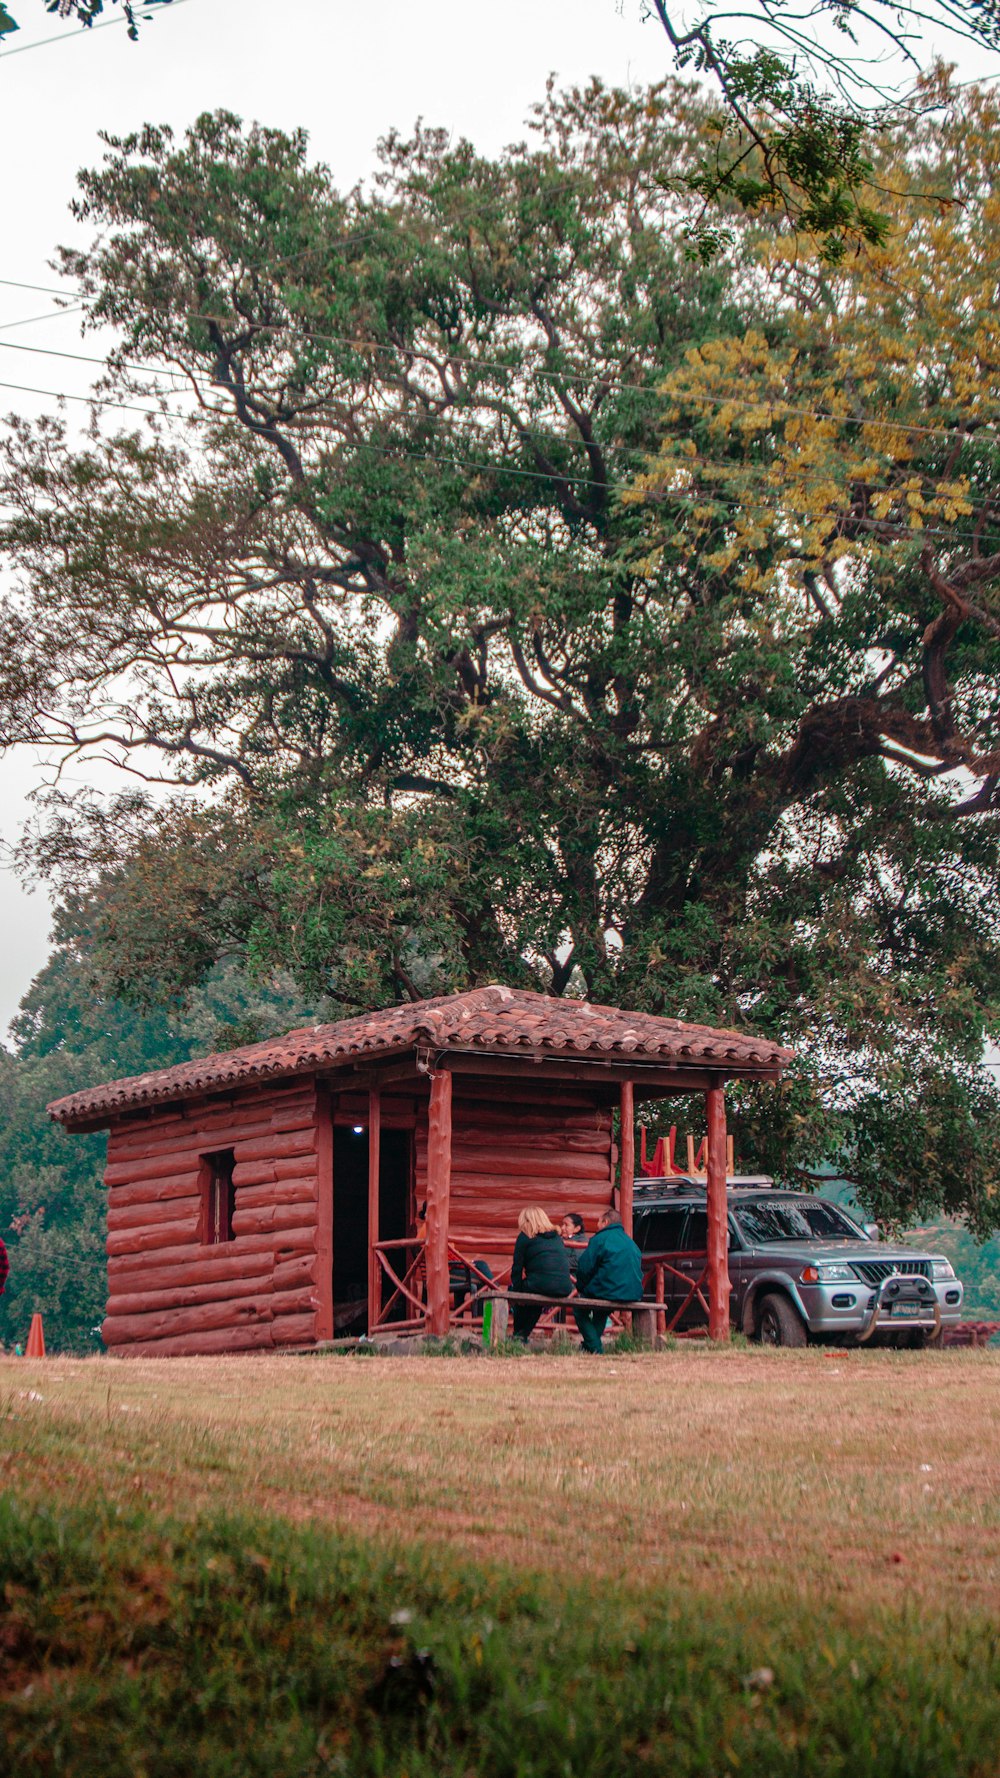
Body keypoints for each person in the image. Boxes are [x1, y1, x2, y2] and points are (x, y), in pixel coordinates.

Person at [573, 1208, 643, 1354]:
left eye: (599, 1222)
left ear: (605, 1222)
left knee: (579, 1309)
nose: (597, 1226)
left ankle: (596, 1349)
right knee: (601, 1312)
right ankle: (589, 1347)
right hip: (633, 1293)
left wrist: (580, 1287)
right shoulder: (630, 1242)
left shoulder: (600, 1239)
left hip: (608, 1290)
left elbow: (585, 1267)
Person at [510, 1206, 573, 1341]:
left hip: (540, 1284)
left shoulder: (525, 1236)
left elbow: (517, 1268)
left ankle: (519, 1335)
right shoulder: (557, 1238)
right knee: (535, 1300)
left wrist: (516, 1293)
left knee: (518, 1293)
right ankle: (522, 1336)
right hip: (565, 1287)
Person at [558, 1212, 587, 1280]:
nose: (562, 1228)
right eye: (562, 1224)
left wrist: (555, 1262)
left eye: (566, 1225)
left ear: (577, 1228)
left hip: (572, 1280)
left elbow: (576, 1261)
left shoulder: (581, 1241)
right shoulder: (560, 1238)